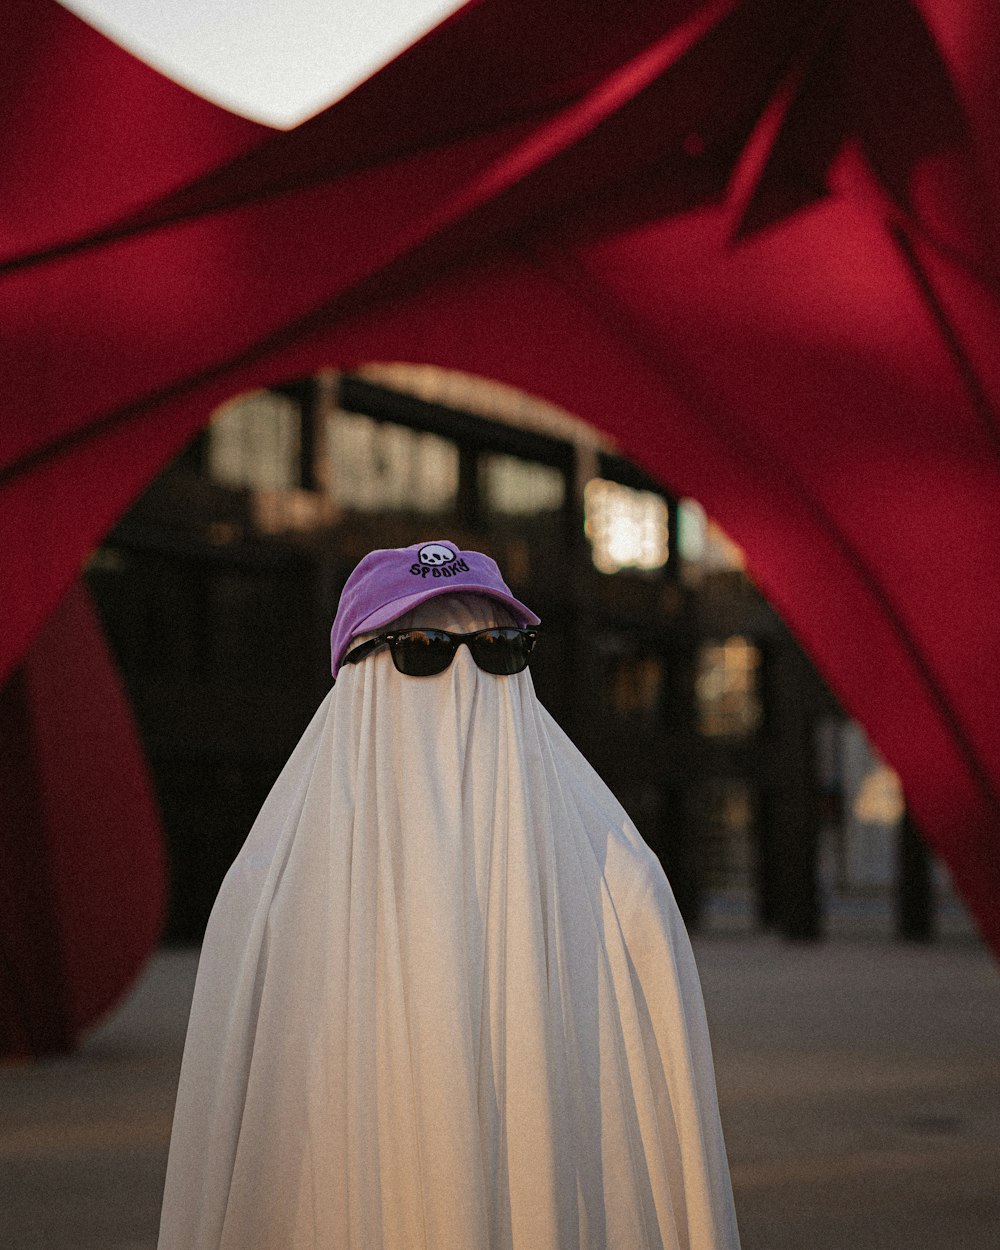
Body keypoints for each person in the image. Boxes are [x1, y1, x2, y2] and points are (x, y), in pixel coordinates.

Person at [157, 540, 741, 1250]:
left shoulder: (623, 889)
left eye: (499, 648)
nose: (465, 677)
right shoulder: (267, 903)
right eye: (424, 649)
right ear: (356, 678)